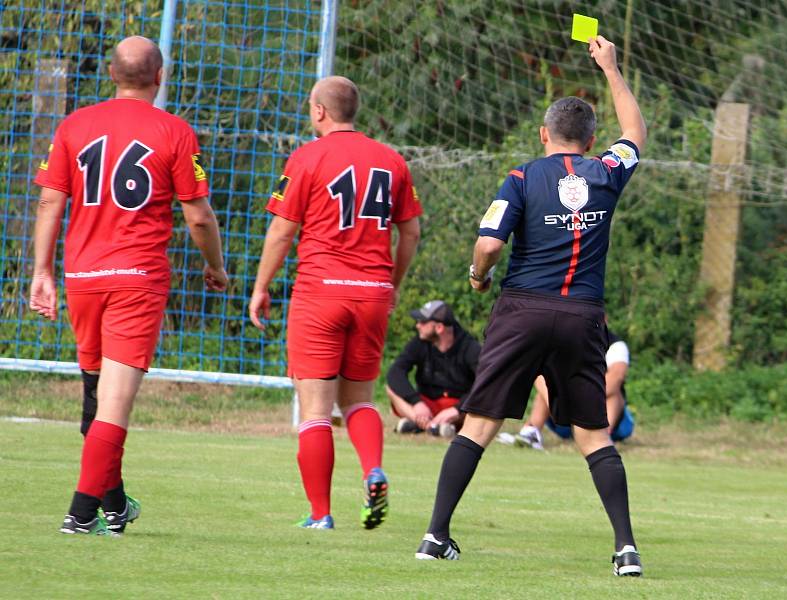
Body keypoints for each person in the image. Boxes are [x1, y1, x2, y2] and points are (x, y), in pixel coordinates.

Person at [414, 36, 647, 577]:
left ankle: (434, 535)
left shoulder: (521, 177)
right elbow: (635, 132)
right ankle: (626, 550)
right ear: (590, 140)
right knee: (594, 435)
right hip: (581, 315)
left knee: (479, 424)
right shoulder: (605, 172)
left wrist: (477, 275)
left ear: (543, 134)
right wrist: (611, 68)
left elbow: (491, 243)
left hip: (521, 311)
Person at [30, 36, 227, 536]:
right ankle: (80, 514)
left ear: (112, 75)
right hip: (136, 279)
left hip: (84, 277)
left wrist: (42, 272)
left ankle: (114, 505)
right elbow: (198, 217)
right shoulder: (175, 131)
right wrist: (216, 266)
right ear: (160, 77)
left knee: (97, 395)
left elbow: (50, 203)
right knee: (113, 404)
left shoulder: (74, 126)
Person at [248, 76, 422, 530]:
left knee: (316, 410)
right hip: (372, 293)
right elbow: (412, 232)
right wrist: (394, 282)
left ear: (320, 111)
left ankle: (321, 514)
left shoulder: (307, 157)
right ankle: (373, 470)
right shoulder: (391, 160)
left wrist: (261, 286)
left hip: (321, 291)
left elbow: (283, 231)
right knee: (359, 399)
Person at [503, 328, 635, 449]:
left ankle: (604, 438)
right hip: (565, 414)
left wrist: (579, 400)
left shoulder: (615, 345)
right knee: (545, 376)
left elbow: (616, 377)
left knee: (615, 394)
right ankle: (531, 433)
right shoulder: (565, 339)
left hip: (604, 415)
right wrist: (560, 401)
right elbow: (539, 374)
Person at [386, 300, 481, 438]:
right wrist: (416, 402)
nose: (418, 325)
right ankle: (431, 426)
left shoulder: (470, 348)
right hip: (426, 405)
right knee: (391, 388)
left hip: (459, 408)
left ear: (439, 328)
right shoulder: (419, 342)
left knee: (482, 401)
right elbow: (395, 373)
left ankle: (418, 425)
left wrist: (456, 409)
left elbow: (485, 383)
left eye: (423, 322)